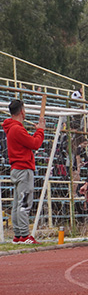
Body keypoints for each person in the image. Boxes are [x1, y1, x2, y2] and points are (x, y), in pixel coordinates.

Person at [3, 98, 45, 244]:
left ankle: (18, 234)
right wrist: (40, 130)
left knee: (17, 203)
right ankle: (25, 235)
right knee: (25, 203)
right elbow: (35, 144)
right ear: (22, 111)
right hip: (23, 169)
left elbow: (28, 143)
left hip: (16, 169)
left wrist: (36, 132)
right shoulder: (17, 128)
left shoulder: (11, 128)